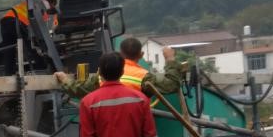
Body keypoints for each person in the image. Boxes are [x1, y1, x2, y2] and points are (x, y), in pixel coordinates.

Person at [54, 37, 185, 101]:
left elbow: (79, 89)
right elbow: (171, 85)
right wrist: (170, 59)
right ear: (141, 55)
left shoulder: (102, 75)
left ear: (120, 53)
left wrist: (65, 80)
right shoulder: (144, 77)